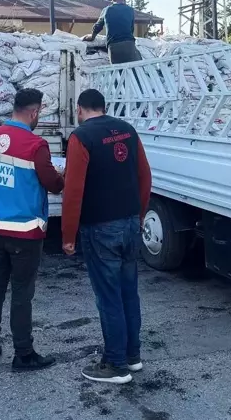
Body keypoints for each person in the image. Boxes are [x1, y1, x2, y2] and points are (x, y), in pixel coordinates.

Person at [61, 89, 152, 384]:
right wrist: (138, 216)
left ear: (79, 109)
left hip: (100, 227)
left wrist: (68, 234)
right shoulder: (127, 130)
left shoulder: (81, 137)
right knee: (128, 293)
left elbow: (73, 189)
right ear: (104, 107)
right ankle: (132, 356)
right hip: (129, 223)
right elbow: (145, 176)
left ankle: (115, 365)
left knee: (108, 297)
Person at [0, 88, 64, 371]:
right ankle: (23, 354)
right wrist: (62, 175)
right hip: (25, 231)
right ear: (34, 111)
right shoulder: (35, 144)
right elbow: (53, 184)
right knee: (22, 293)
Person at [82, 0, 143, 65]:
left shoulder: (107, 10)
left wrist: (92, 36)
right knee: (134, 69)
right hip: (129, 44)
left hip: (114, 45)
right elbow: (131, 29)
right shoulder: (130, 10)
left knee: (118, 72)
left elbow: (98, 26)